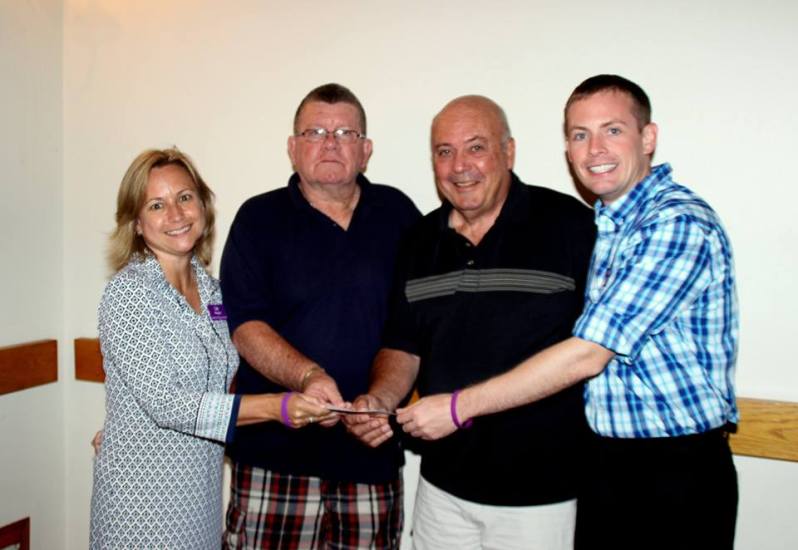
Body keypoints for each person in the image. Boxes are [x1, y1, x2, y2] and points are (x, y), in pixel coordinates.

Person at [398, 75, 739, 550]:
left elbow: (588, 354)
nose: (594, 148)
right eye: (580, 135)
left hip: (672, 470)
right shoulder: (610, 225)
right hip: (604, 466)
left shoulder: (674, 222)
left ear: (648, 138)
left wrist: (458, 407)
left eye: (612, 130)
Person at [345, 95, 596, 549]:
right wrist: (381, 399)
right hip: (442, 489)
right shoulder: (419, 240)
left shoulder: (571, 226)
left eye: (476, 147)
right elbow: (402, 344)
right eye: (444, 151)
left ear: (509, 152)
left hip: (544, 497)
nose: (460, 165)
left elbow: (594, 353)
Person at [89, 148, 329, 549]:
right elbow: (168, 404)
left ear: (202, 203)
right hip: (140, 504)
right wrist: (277, 407)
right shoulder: (128, 293)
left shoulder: (213, 291)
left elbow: (220, 385)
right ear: (136, 223)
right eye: (156, 205)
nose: (177, 214)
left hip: (199, 496)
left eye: (185, 197)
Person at [220, 84, 421, 549]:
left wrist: (382, 399)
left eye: (345, 132)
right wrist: (308, 376)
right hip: (273, 454)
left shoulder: (400, 215)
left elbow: (409, 328)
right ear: (292, 148)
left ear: (365, 150)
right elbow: (246, 327)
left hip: (369, 456)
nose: (330, 142)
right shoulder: (257, 219)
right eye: (315, 131)